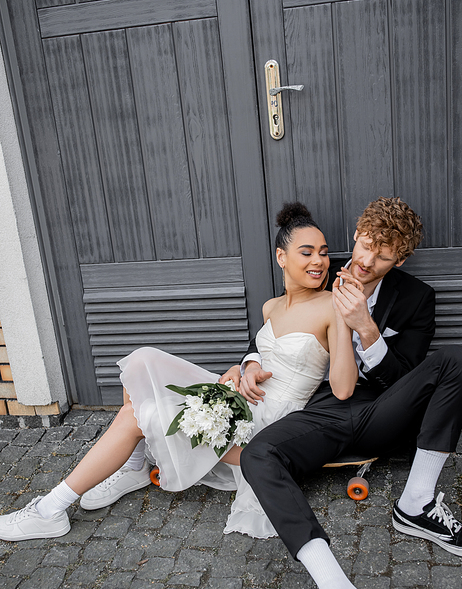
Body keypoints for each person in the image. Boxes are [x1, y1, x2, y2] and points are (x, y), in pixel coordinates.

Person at [230, 196, 462, 589]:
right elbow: (275, 330)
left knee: (460, 360)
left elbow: (412, 383)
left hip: (382, 412)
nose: (368, 260)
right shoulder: (319, 271)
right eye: (367, 244)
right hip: (324, 411)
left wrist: (368, 330)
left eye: (384, 254)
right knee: (260, 453)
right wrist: (246, 362)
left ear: (401, 260)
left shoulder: (416, 298)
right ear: (356, 234)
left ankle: (416, 504)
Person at [0, 202, 360, 545]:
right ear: (282, 257)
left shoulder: (330, 305)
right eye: (307, 252)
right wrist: (243, 367)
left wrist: (346, 318)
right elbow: (266, 356)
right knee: (140, 363)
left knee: (140, 414)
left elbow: (343, 389)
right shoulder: (271, 306)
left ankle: (51, 508)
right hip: (236, 400)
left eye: (324, 252)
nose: (319, 261)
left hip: (270, 424)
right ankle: (135, 466)